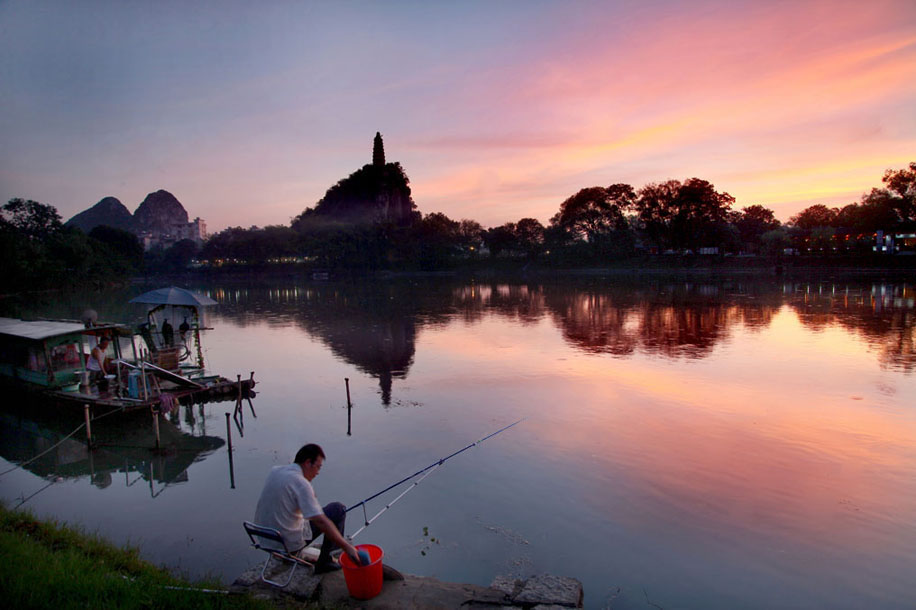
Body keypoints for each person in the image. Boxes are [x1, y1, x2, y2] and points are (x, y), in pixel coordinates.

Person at [254, 444, 360, 573]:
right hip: (287, 544)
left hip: (265, 538)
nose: (318, 472)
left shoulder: (275, 471)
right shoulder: (301, 484)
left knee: (312, 512)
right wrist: (347, 547)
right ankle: (325, 561)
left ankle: (290, 555)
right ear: (308, 462)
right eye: (318, 467)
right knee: (338, 509)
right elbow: (320, 521)